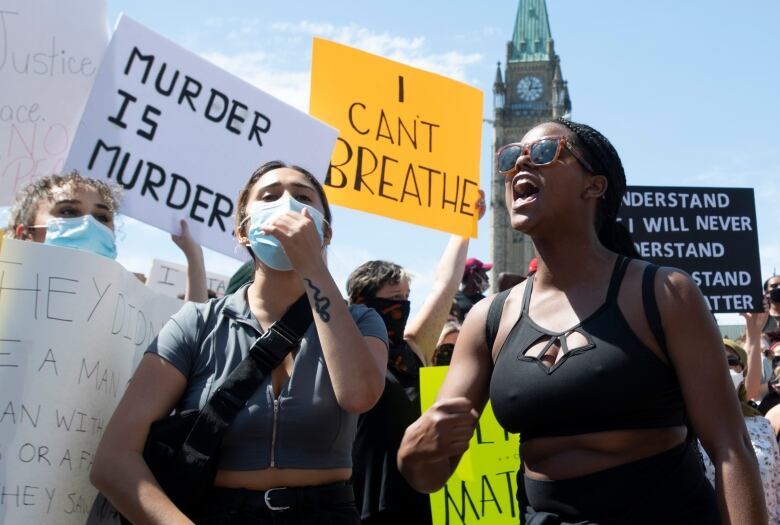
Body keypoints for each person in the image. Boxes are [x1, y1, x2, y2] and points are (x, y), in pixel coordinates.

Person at [398, 118, 767, 523]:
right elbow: (427, 475)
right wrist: (416, 449)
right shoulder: (489, 318)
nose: (521, 163)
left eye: (542, 152)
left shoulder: (664, 293)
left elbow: (731, 447)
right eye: (510, 157)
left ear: (594, 185)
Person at [90, 161, 388, 524]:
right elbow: (113, 459)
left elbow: (359, 395)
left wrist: (312, 266)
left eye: (303, 196)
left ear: (325, 231)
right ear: (243, 231)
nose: (287, 204)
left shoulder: (360, 321)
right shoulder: (196, 324)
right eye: (270, 196)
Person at [347, 192, 485, 525]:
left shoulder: (412, 349)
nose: (404, 307)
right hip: (358, 496)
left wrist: (463, 226)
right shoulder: (340, 351)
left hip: (414, 495)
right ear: (361, 302)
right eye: (395, 299)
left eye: (407, 297)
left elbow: (445, 285)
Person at [7, 171, 209, 302]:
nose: (88, 224)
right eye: (68, 212)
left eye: (101, 217)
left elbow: (192, 336)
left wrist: (195, 257)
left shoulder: (125, 310)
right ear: (24, 233)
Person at [698, 339, 780, 523]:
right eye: (714, 359)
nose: (722, 367)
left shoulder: (762, 425)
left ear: (742, 370)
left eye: (731, 362)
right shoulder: (687, 425)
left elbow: (777, 483)